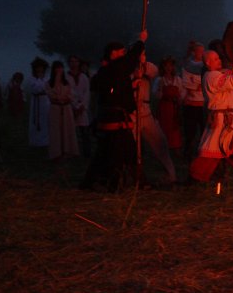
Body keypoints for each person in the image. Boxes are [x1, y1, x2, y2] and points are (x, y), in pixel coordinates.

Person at [80, 30, 147, 192]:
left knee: (112, 152)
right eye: (121, 52)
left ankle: (133, 182)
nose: (124, 54)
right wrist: (141, 41)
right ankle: (114, 184)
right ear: (113, 54)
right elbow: (130, 60)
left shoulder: (112, 71)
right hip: (114, 118)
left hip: (113, 117)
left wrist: (131, 85)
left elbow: (114, 89)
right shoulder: (113, 68)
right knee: (117, 153)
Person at [189, 50, 233, 185]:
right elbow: (232, 82)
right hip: (220, 120)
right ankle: (194, 181)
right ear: (208, 63)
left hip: (230, 119)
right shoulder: (211, 76)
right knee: (210, 154)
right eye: (215, 59)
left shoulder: (215, 75)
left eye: (218, 58)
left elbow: (230, 78)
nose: (219, 60)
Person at [131, 54, 177, 184]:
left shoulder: (148, 67)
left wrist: (142, 65)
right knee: (132, 146)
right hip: (132, 112)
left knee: (160, 142)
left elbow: (153, 71)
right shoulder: (126, 69)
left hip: (146, 111)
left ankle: (171, 175)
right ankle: (134, 176)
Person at [45, 60, 79, 160]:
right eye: (57, 68)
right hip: (55, 108)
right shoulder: (49, 83)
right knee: (56, 130)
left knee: (67, 129)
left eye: (61, 68)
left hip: (66, 108)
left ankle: (68, 151)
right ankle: (56, 152)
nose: (59, 70)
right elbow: (51, 93)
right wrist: (58, 98)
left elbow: (71, 94)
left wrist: (66, 98)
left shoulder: (67, 82)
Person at [180, 41, 206, 163]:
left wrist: (201, 86)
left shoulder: (205, 66)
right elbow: (185, 82)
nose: (201, 53)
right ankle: (187, 155)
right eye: (199, 51)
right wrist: (195, 87)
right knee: (190, 131)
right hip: (191, 103)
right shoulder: (187, 66)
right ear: (194, 52)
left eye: (202, 51)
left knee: (204, 131)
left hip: (203, 104)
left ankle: (203, 154)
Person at [153, 56, 183, 153]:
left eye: (171, 66)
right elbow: (156, 95)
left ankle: (175, 146)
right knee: (164, 125)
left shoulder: (177, 79)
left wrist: (179, 101)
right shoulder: (159, 80)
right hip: (164, 107)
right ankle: (163, 147)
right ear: (163, 67)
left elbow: (181, 93)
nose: (169, 68)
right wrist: (161, 89)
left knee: (174, 127)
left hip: (174, 107)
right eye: (166, 66)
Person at [67, 55, 92, 157]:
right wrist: (74, 105)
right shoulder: (66, 77)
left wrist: (82, 106)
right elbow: (67, 91)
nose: (74, 64)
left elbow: (87, 92)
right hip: (70, 106)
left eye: (75, 61)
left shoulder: (84, 77)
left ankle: (86, 152)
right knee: (70, 131)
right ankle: (71, 151)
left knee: (84, 131)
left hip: (82, 107)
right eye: (71, 61)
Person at [26, 57, 50, 148]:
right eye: (37, 67)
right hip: (36, 101)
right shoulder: (32, 78)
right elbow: (35, 89)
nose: (39, 69)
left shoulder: (47, 78)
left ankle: (45, 141)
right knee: (35, 121)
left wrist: (41, 84)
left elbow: (47, 88)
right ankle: (35, 141)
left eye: (41, 67)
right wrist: (40, 81)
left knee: (45, 121)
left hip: (45, 101)